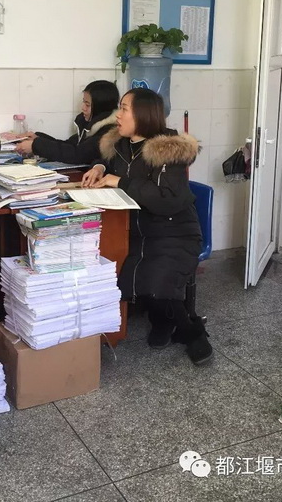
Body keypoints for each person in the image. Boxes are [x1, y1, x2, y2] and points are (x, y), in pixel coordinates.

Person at [81, 88, 211, 364]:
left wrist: (120, 181)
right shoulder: (120, 144)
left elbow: (166, 200)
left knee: (158, 277)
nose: (118, 115)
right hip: (138, 230)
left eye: (124, 109)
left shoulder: (167, 150)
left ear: (143, 114)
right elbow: (106, 162)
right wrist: (99, 168)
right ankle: (162, 320)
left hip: (174, 231)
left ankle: (191, 331)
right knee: (123, 273)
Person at [15, 80, 119, 164]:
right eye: (83, 102)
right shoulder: (89, 125)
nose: (83, 108)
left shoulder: (109, 131)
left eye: (87, 105)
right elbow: (69, 145)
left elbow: (77, 154)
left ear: (101, 107)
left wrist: (36, 146)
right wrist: (37, 138)